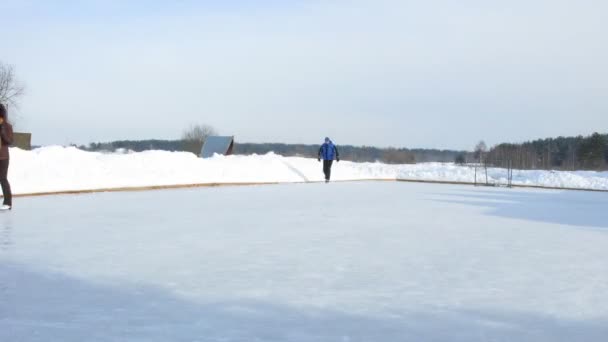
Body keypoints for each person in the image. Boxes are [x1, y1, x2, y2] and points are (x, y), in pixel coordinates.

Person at [0, 103, 13, 210]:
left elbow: (9, 141)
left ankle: (8, 202)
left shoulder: (8, 126)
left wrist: (2, 133)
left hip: (3, 158)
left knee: (2, 179)